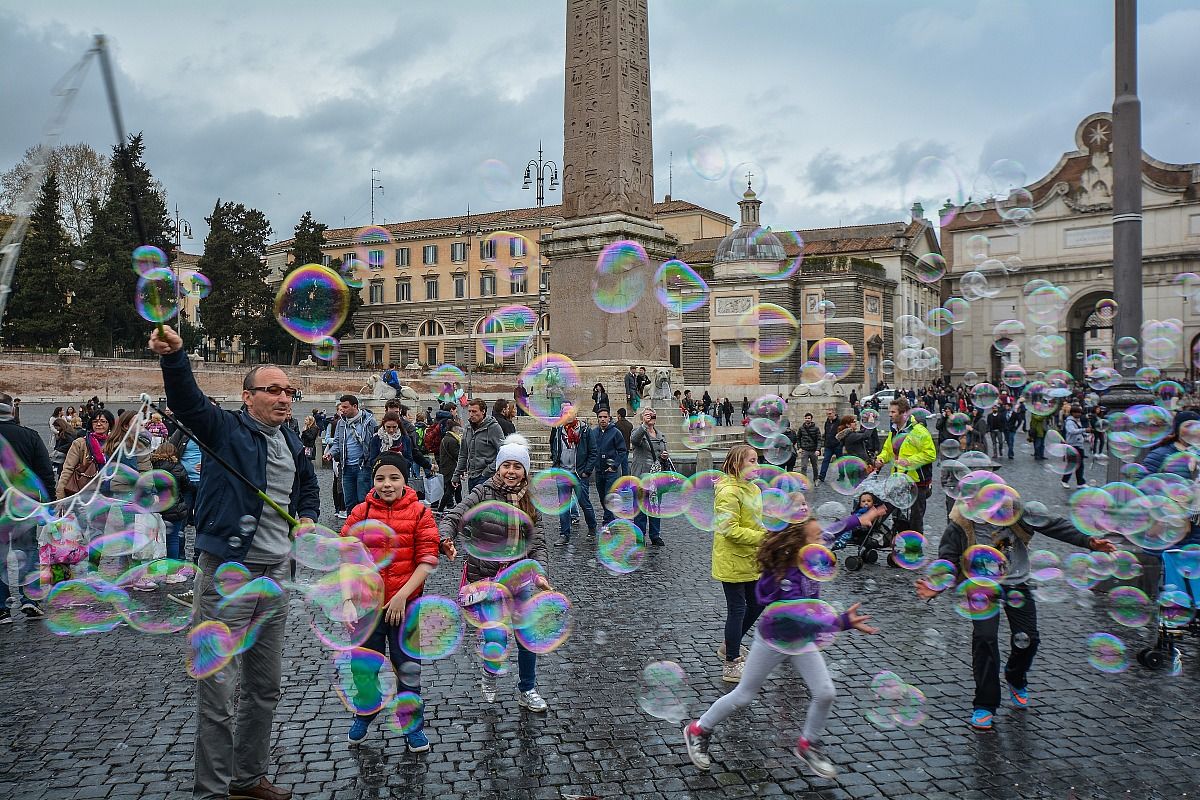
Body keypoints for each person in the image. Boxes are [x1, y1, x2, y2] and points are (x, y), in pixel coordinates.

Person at [149, 324, 319, 800]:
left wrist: (305, 517)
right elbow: (187, 403)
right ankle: (212, 789)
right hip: (230, 575)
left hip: (277, 577)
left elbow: (306, 488)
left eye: (289, 390)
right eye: (273, 390)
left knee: (264, 687)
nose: (284, 397)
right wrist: (175, 357)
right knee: (218, 691)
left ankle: (248, 777)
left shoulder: (293, 441)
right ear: (248, 397)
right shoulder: (225, 430)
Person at [684, 517, 878, 777]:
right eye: (817, 537)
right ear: (800, 546)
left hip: (801, 640)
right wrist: (841, 622)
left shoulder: (813, 553)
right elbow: (804, 621)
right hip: (774, 638)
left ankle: (808, 744)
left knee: (826, 692)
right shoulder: (788, 576)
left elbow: (833, 530)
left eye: (822, 536)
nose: (824, 539)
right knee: (744, 695)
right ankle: (698, 729)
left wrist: (859, 519)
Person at [915, 499, 1115, 731]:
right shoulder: (960, 523)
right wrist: (938, 584)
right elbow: (948, 558)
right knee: (984, 639)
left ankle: (1015, 676)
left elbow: (1054, 525)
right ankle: (985, 704)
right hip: (980, 586)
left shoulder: (1014, 511)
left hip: (1016, 583)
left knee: (1028, 638)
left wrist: (1088, 541)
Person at [341, 451, 452, 751]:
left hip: (406, 606)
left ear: (405, 479)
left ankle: (411, 724)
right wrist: (348, 599)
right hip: (367, 606)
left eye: (394, 478)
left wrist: (403, 595)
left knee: (407, 668)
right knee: (362, 668)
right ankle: (366, 710)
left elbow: (427, 559)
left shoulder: (420, 513)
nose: (387, 484)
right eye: (380, 478)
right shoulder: (360, 513)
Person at [438, 435, 553, 711]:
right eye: (506, 466)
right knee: (496, 638)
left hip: (519, 578)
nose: (511, 471)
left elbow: (537, 542)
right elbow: (454, 516)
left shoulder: (529, 501)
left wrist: (540, 572)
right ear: (498, 467)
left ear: (525, 471)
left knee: (527, 636)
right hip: (487, 580)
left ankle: (527, 688)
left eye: (517, 466)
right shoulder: (483, 492)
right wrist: (445, 538)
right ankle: (489, 673)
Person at [711, 445, 767, 684]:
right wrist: (764, 538)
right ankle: (731, 662)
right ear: (736, 465)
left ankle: (728, 645)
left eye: (757, 460)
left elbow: (755, 522)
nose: (757, 465)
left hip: (751, 558)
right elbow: (729, 530)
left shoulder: (753, 488)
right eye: (752, 461)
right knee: (738, 608)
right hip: (732, 559)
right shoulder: (728, 492)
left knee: (758, 601)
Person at [0, 392, 54, 622]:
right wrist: (49, 505)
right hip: (25, 505)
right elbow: (45, 474)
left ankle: (1, 607)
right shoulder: (30, 436)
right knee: (29, 551)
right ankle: (29, 600)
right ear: (12, 411)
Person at [874, 396, 936, 535]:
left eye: (893, 412)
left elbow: (930, 454)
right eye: (890, 412)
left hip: (917, 481)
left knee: (916, 518)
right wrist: (881, 459)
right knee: (894, 514)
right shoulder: (894, 430)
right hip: (898, 480)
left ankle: (914, 549)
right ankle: (896, 544)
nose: (889, 415)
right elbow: (888, 450)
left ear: (904, 413)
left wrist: (910, 461)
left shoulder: (918, 431)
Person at [549, 401, 597, 545]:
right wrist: (555, 462)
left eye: (570, 413)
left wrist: (587, 471)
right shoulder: (558, 429)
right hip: (563, 471)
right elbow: (553, 446)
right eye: (565, 413)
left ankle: (592, 528)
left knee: (584, 503)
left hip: (579, 473)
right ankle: (564, 534)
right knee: (563, 505)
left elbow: (593, 451)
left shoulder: (584, 430)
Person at [151, 441, 195, 578]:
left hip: (157, 508)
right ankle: (172, 574)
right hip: (174, 508)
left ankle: (151, 571)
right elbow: (187, 486)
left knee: (154, 539)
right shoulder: (178, 467)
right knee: (173, 539)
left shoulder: (153, 466)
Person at [629, 407, 668, 547]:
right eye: (646, 415)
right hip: (641, 476)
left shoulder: (661, 435)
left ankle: (655, 535)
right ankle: (640, 536)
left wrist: (664, 456)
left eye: (652, 415)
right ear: (642, 418)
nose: (650, 416)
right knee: (640, 508)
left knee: (655, 507)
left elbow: (662, 454)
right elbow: (634, 440)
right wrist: (644, 425)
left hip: (656, 477)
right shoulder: (638, 432)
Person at [332, 394, 378, 510]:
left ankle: (365, 527)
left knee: (363, 500)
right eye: (342, 407)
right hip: (346, 467)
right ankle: (351, 526)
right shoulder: (341, 423)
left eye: (345, 407)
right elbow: (337, 442)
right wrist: (330, 453)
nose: (342, 410)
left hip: (363, 466)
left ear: (355, 406)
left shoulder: (369, 422)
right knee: (349, 501)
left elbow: (375, 441)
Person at [454, 398, 506, 492]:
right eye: (469, 411)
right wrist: (457, 475)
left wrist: (488, 471)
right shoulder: (468, 428)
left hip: (487, 477)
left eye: (474, 411)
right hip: (471, 477)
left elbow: (503, 452)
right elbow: (463, 454)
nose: (471, 414)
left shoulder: (494, 428)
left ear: (483, 411)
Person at [590, 408, 628, 526]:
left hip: (611, 471)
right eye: (600, 417)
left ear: (609, 418)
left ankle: (606, 522)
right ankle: (610, 518)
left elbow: (622, 451)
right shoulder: (594, 432)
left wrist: (615, 465)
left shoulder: (616, 432)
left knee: (608, 496)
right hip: (599, 470)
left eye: (605, 417)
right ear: (597, 418)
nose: (602, 419)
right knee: (602, 497)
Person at [436, 417, 463, 511]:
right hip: (451, 469)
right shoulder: (452, 440)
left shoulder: (446, 438)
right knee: (451, 490)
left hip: (447, 468)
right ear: (454, 429)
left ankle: (460, 507)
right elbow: (457, 455)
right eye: (458, 429)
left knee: (457, 489)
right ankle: (441, 508)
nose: (459, 431)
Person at [1061, 404, 1089, 489]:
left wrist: (1085, 433)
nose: (1080, 414)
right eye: (1078, 413)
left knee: (1080, 465)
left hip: (1079, 445)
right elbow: (1072, 431)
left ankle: (1080, 483)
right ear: (1073, 413)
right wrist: (1084, 430)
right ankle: (1064, 480)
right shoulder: (1069, 422)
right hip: (1072, 445)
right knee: (1071, 464)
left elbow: (1078, 431)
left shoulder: (1077, 421)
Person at [817, 409, 841, 483]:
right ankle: (822, 476)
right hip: (828, 445)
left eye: (830, 414)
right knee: (825, 460)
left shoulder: (839, 422)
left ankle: (842, 475)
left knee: (840, 461)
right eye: (827, 414)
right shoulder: (827, 422)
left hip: (837, 445)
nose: (829, 415)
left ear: (834, 413)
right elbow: (826, 432)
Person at [795, 413, 821, 481]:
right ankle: (804, 481)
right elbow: (798, 438)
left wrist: (818, 450)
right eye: (806, 418)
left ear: (811, 419)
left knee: (815, 467)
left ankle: (815, 479)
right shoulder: (801, 428)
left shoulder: (816, 428)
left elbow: (819, 439)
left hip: (813, 450)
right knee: (803, 467)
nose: (807, 419)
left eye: (808, 418)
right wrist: (799, 447)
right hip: (805, 450)